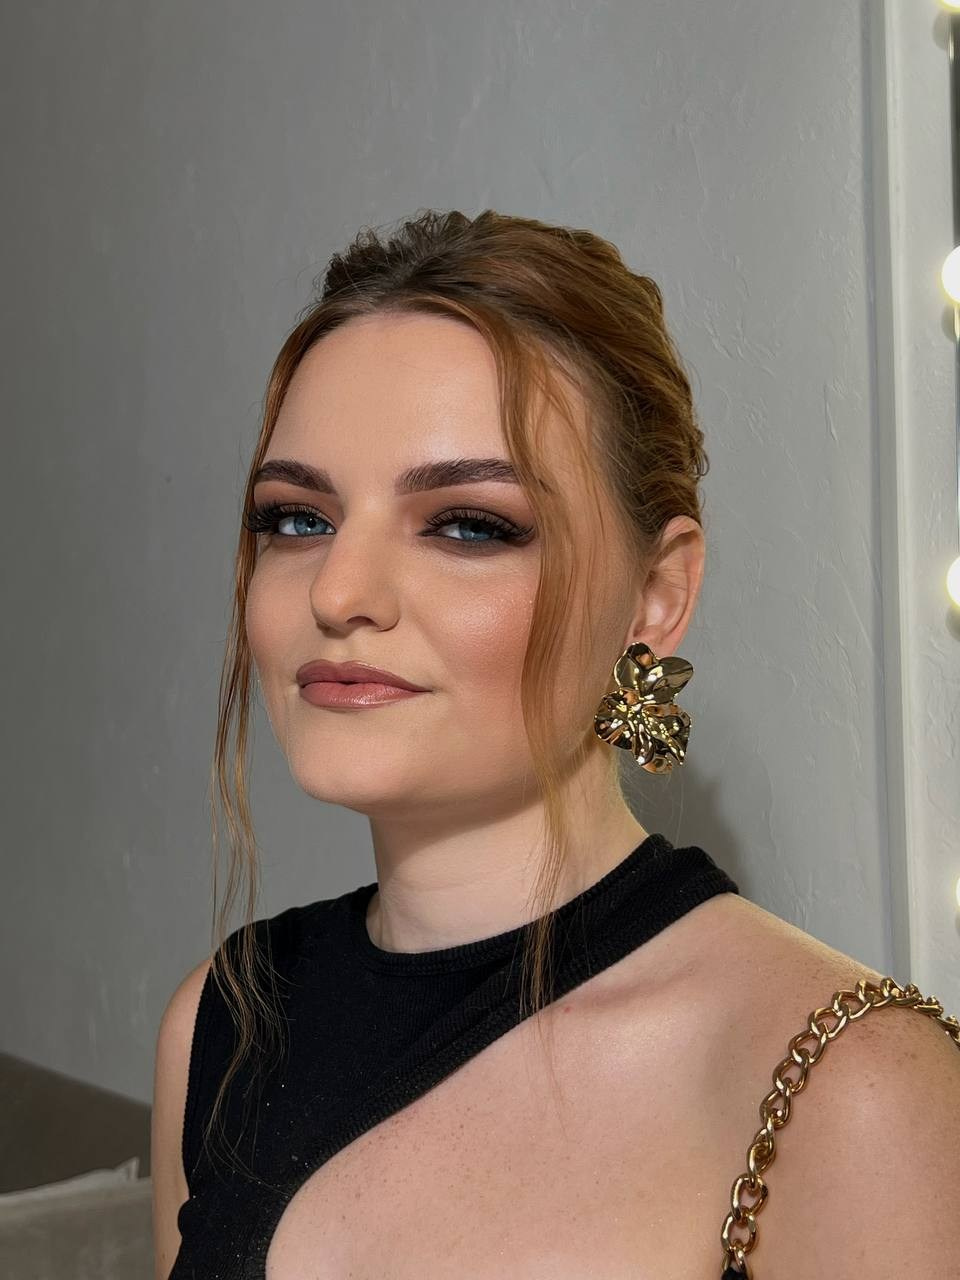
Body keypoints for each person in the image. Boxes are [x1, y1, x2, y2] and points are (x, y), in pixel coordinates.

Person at [150, 210, 960, 1280]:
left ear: (656, 595)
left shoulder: (851, 1085)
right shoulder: (223, 1021)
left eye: (469, 524)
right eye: (298, 518)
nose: (339, 592)